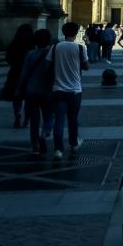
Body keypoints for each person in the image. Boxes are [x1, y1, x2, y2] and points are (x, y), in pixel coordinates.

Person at [47, 22, 89, 161]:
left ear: (63, 32)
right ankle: (73, 143)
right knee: (73, 119)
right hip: (75, 89)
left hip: (58, 88)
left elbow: (47, 65)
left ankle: (58, 150)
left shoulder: (55, 47)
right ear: (77, 32)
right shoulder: (80, 48)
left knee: (59, 119)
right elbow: (86, 66)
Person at [15, 29, 55, 156]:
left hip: (31, 90)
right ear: (49, 40)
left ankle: (35, 145)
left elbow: (24, 73)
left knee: (34, 119)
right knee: (49, 116)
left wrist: (18, 89)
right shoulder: (52, 54)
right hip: (48, 90)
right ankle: (45, 132)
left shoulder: (30, 54)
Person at [1, 23, 33, 128]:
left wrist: (15, 64)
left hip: (15, 73)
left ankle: (17, 115)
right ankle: (26, 120)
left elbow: (8, 58)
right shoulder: (32, 45)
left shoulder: (13, 44)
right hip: (29, 75)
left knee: (17, 97)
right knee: (29, 99)